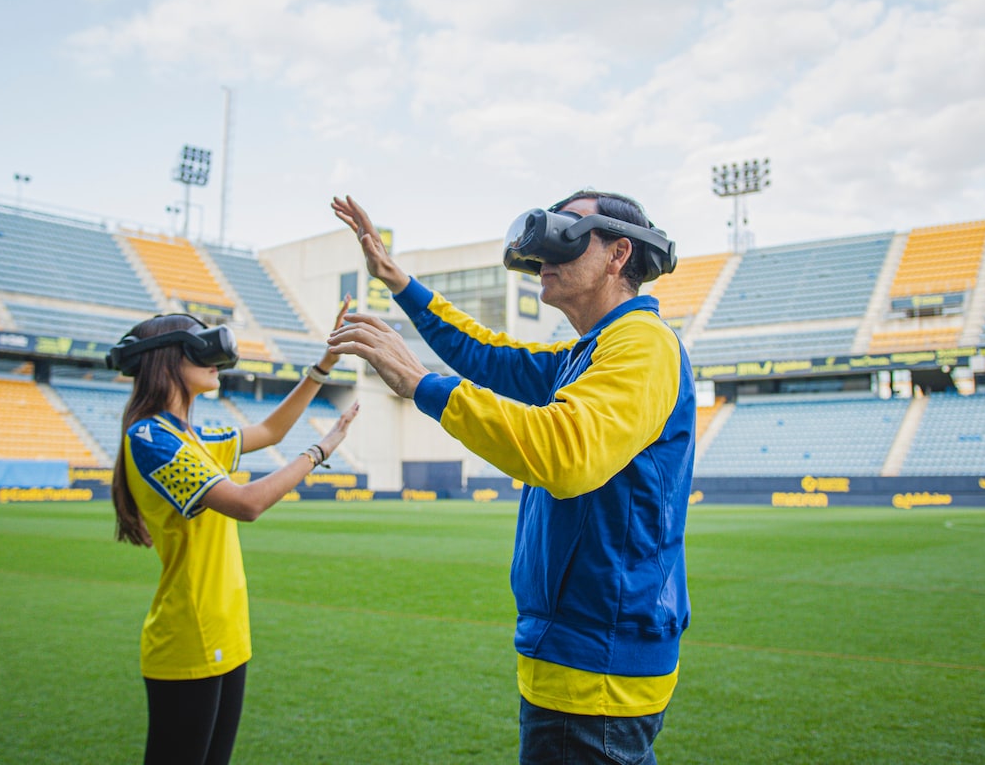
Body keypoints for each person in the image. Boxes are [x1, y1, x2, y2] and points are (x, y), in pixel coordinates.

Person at [327, 192, 694, 765]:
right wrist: (399, 281)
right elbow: (488, 353)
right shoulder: (586, 354)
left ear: (620, 253)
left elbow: (564, 453)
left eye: (566, 236)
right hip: (581, 654)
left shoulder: (642, 344)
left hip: (595, 663)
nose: (544, 255)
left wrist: (422, 383)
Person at [108, 308, 359, 765]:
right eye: (198, 349)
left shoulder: (193, 437)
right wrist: (320, 450)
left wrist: (324, 366)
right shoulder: (150, 436)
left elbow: (270, 430)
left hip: (228, 629)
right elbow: (247, 504)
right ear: (166, 359)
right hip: (188, 636)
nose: (214, 361)